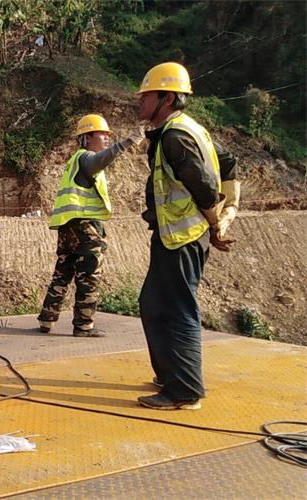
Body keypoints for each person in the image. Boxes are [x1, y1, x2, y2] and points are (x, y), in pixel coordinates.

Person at [135, 62, 239, 410]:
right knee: (153, 303)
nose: (140, 101)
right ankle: (171, 376)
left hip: (183, 236)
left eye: (147, 95)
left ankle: (184, 391)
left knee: (177, 308)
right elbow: (228, 162)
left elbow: (206, 189)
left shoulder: (175, 136)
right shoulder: (187, 129)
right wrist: (228, 211)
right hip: (175, 235)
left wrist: (217, 221)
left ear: (167, 98)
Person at [38, 114, 142, 337]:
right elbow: (98, 161)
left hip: (68, 225)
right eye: (101, 134)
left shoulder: (74, 160)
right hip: (85, 226)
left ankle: (46, 319)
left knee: (63, 272)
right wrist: (127, 143)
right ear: (86, 137)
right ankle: (84, 325)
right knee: (89, 274)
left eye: (107, 135)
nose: (106, 138)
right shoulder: (86, 158)